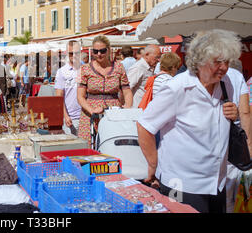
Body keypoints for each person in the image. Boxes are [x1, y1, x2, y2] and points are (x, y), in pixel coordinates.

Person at [136, 29, 242, 213]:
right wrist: (154, 164)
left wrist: (235, 114)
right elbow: (145, 125)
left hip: (216, 182)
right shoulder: (178, 88)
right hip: (183, 184)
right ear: (200, 61)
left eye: (227, 61)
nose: (224, 68)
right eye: (218, 62)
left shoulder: (226, 84)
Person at [77, 35, 133, 146]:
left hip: (113, 113)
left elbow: (127, 91)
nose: (99, 54)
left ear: (108, 50)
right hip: (90, 114)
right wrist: (91, 110)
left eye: (102, 51)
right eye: (95, 51)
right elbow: (80, 96)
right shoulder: (85, 69)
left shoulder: (119, 67)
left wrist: (127, 109)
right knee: (89, 148)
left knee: (113, 145)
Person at [224, 66, 251, 213]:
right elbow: (245, 112)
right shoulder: (236, 75)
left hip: (216, 141)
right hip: (235, 139)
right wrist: (249, 145)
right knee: (234, 184)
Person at [55, 40, 82, 135]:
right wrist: (65, 116)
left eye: (76, 53)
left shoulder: (86, 69)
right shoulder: (62, 72)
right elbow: (59, 97)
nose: (74, 56)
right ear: (67, 53)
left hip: (85, 117)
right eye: (71, 53)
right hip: (71, 118)